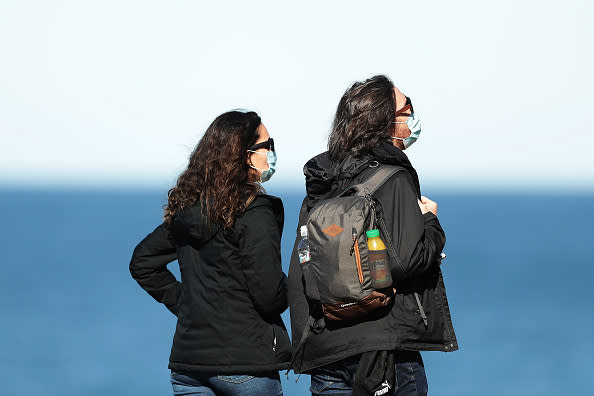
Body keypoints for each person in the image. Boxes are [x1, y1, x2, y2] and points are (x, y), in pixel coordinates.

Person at [287, 75, 458, 396]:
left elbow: (301, 267)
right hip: (384, 352)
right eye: (407, 107)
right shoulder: (393, 177)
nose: (412, 115)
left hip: (326, 352)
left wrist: (307, 346)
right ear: (386, 121)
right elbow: (408, 260)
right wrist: (431, 223)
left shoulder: (321, 184)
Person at [130, 110, 291, 396]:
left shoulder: (187, 210)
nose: (272, 152)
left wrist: (190, 307)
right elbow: (269, 297)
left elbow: (143, 262)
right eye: (267, 145)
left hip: (189, 366)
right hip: (247, 363)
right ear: (245, 155)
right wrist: (298, 283)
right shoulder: (255, 212)